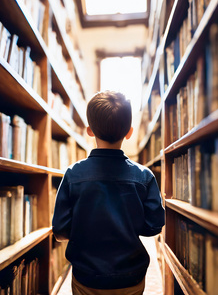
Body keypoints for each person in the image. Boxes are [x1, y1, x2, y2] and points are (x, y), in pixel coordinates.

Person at [52, 90, 165, 295]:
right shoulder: (145, 176)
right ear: (129, 132)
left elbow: (60, 230)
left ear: (89, 130)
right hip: (130, 276)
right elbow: (153, 227)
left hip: (87, 276)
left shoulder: (73, 174)